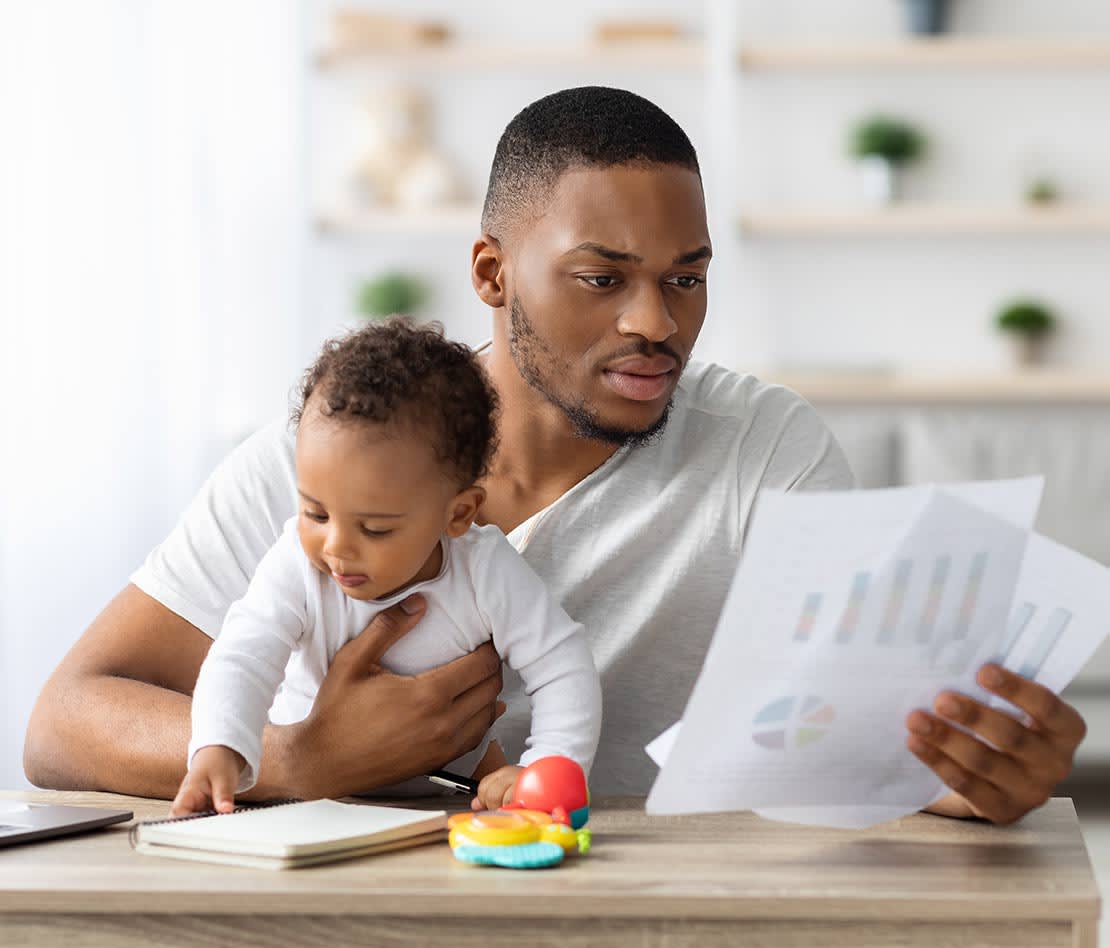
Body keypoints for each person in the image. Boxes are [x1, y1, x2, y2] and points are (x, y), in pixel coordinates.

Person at [26, 87, 1086, 824]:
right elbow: (64, 723)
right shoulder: (324, 461)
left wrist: (975, 778)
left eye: (685, 278)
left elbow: (859, 746)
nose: (656, 324)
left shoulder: (766, 453)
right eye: (601, 277)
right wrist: (299, 759)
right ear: (492, 273)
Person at [170, 320, 600, 817]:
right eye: (315, 513)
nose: (336, 547)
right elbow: (244, 655)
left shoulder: (484, 568)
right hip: (318, 796)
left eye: (374, 528)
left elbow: (562, 663)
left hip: (458, 792)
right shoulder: (296, 563)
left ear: (458, 514)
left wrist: (546, 770)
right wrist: (219, 747)